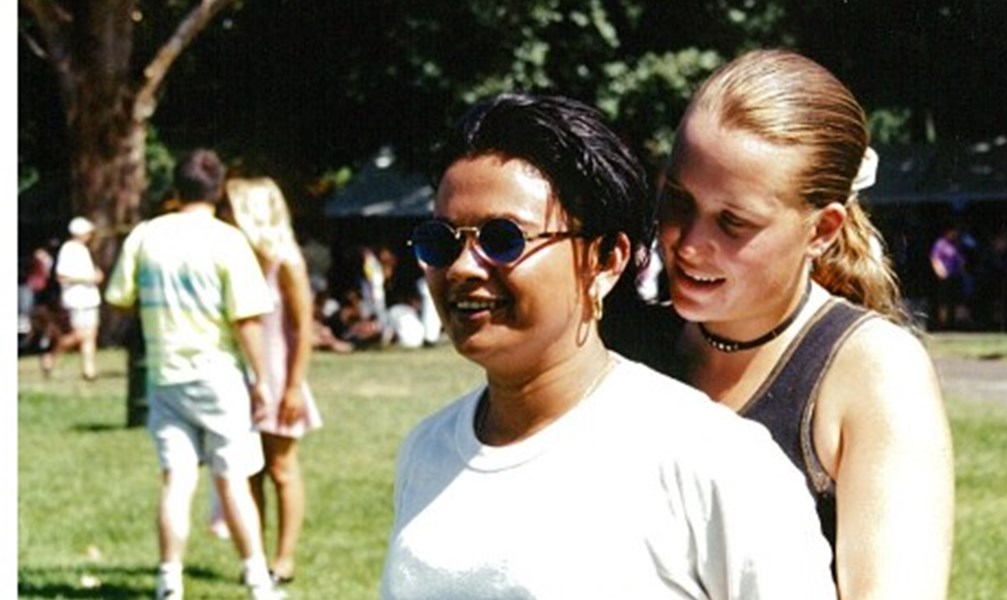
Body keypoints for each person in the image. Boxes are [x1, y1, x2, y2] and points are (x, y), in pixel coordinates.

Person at [381, 93, 836, 599]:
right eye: (442, 241)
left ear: (604, 261)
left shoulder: (713, 461)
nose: (463, 268)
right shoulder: (426, 452)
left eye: (503, 239)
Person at [628, 49, 953, 599]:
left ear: (823, 229)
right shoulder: (625, 346)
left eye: (734, 222)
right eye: (677, 201)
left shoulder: (872, 370)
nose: (688, 243)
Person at [104, 149, 285, 600]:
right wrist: (262, 380)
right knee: (233, 481)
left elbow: (119, 298)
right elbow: (247, 319)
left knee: (177, 481)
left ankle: (169, 580)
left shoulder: (146, 236)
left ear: (175, 189)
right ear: (219, 189)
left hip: (165, 375)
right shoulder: (227, 241)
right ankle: (258, 580)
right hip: (218, 374)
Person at [224, 176, 323, 584]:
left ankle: (284, 558)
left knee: (281, 467)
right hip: (244, 375)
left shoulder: (288, 261)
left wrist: (295, 386)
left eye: (231, 207)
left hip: (282, 375)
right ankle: (255, 555)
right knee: (249, 469)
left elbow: (303, 328)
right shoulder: (236, 259)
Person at [42, 216, 105, 380]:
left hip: (90, 298)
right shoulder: (68, 249)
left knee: (91, 334)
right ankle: (51, 357)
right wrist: (89, 279)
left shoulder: (84, 250)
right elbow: (62, 276)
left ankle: (89, 370)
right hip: (76, 299)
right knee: (79, 335)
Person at [928, 224, 970, 330]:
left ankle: (958, 324)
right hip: (945, 277)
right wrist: (939, 271)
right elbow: (935, 258)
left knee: (958, 300)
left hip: (957, 276)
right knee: (944, 301)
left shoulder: (957, 244)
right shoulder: (940, 244)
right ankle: (944, 325)